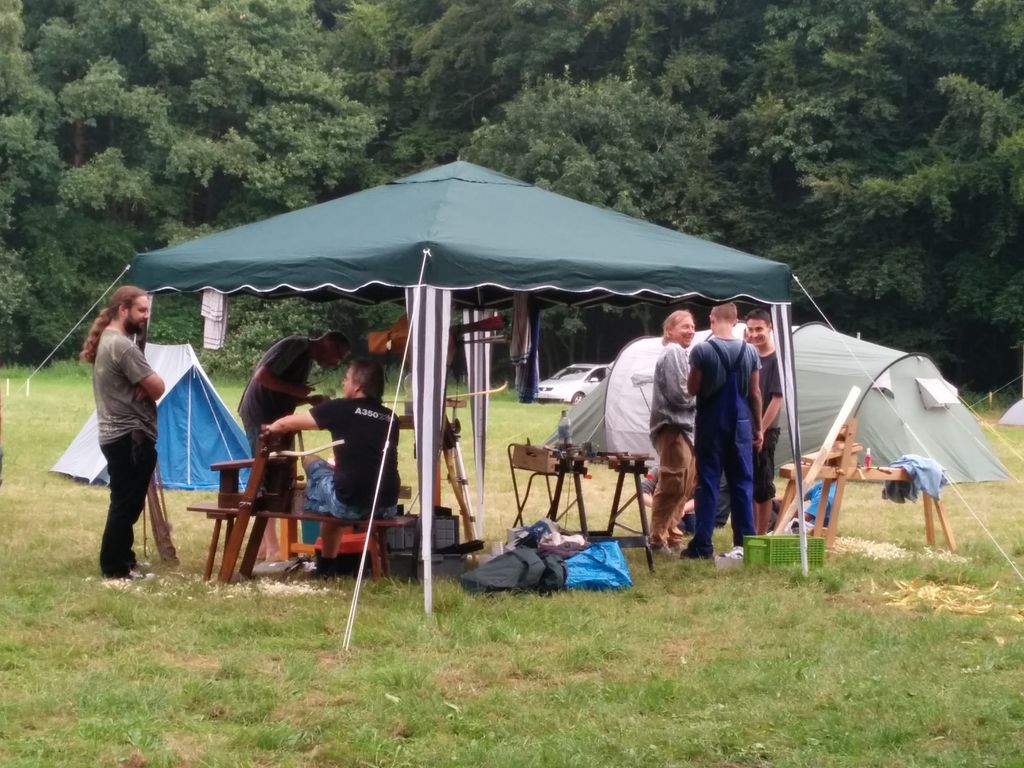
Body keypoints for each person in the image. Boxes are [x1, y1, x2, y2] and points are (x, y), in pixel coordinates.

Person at [262, 359, 400, 577]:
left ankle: (325, 567)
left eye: (346, 378)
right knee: (334, 492)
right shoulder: (391, 418)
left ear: (357, 386)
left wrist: (269, 429)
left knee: (312, 462)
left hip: (349, 504)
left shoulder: (339, 408)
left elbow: (285, 424)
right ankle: (326, 567)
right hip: (387, 505)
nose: (343, 383)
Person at [239, 331, 350, 559]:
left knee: (277, 476)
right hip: (261, 416)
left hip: (274, 416)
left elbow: (279, 389)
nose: (336, 363)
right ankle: (271, 547)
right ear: (328, 343)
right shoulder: (297, 346)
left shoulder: (306, 357)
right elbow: (263, 377)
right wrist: (297, 391)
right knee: (264, 476)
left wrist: (306, 399)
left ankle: (263, 546)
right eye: (338, 356)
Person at [80, 286, 165, 580]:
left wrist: (143, 384)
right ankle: (114, 567)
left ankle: (124, 558)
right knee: (125, 503)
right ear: (123, 309)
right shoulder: (123, 346)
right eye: (141, 310)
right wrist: (148, 384)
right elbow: (159, 388)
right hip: (130, 436)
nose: (145, 316)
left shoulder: (108, 339)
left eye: (147, 310)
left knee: (127, 500)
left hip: (116, 434)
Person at [683, 302, 762, 561]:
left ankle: (702, 546)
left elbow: (692, 389)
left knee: (708, 483)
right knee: (742, 484)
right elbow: (755, 393)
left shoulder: (702, 350)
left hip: (711, 424)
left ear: (712, 318)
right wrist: (759, 428)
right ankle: (746, 543)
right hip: (742, 425)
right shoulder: (750, 351)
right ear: (737, 320)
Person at [647, 310, 697, 553]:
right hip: (673, 427)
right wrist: (705, 395)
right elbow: (680, 395)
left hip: (684, 428)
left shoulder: (682, 353)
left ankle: (673, 535)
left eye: (692, 326)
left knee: (684, 486)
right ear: (670, 331)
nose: (691, 330)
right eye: (685, 326)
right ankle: (657, 539)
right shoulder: (673, 351)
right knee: (673, 485)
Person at [745, 309, 785, 535]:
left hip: (766, 432)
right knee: (747, 483)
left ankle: (760, 535)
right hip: (744, 429)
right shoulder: (747, 356)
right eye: (750, 329)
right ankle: (749, 532)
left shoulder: (776, 360)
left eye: (759, 329)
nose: (754, 334)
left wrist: (761, 429)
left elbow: (776, 400)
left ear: (770, 328)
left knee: (763, 485)